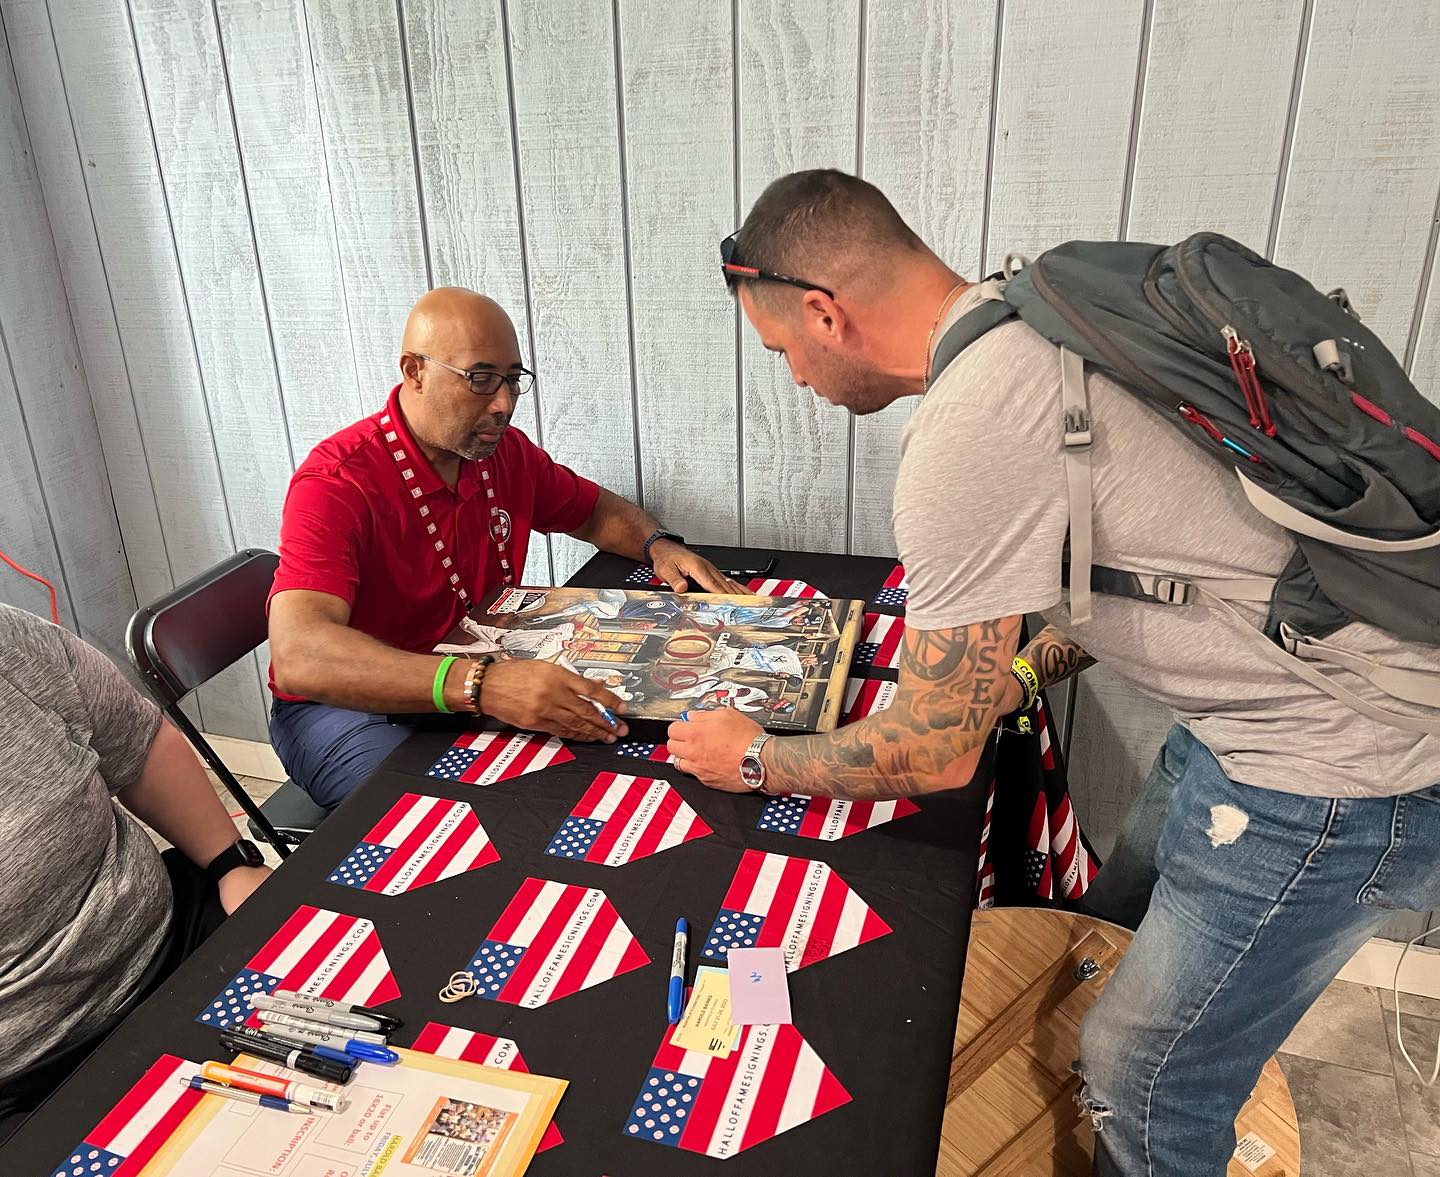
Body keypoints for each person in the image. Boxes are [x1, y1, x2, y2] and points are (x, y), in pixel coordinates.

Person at [666, 170, 1440, 1177]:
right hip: (1257, 728)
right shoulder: (1041, 318)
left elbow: (936, 753)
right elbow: (1170, 575)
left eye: (783, 353)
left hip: (1336, 779)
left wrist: (755, 758)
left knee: (1146, 1072)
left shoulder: (969, 428)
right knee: (1102, 936)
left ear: (824, 313)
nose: (798, 380)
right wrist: (1022, 673)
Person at [267, 287, 742, 809]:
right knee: (443, 818)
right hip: (347, 707)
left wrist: (657, 543)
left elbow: (593, 513)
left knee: (622, 758)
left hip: (477, 669)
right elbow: (299, 655)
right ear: (414, 371)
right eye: (480, 379)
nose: (503, 404)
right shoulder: (336, 482)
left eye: (512, 380)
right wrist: (482, 685)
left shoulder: (500, 452)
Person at [0, 604, 271, 1138]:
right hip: (27, 1075)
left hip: (172, 938)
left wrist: (231, 864)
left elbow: (137, 742)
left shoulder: (9, 642)